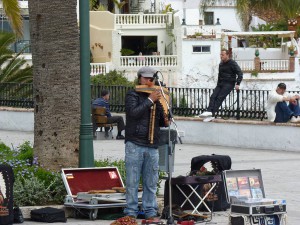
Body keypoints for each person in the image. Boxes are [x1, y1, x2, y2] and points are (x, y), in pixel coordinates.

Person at [124, 66, 168, 220]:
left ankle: (150, 211)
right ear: (139, 78)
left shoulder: (157, 97)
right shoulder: (132, 95)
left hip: (152, 145)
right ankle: (131, 212)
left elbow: (163, 122)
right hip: (135, 143)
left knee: (151, 182)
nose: (149, 82)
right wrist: (150, 100)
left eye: (152, 79)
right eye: (146, 78)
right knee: (132, 181)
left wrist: (165, 109)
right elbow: (133, 113)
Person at [199, 49, 243, 122]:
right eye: (220, 54)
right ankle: (209, 112)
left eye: (222, 55)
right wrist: (218, 85)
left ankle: (212, 114)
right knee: (213, 96)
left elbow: (240, 73)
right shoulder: (221, 64)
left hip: (229, 83)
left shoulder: (232, 63)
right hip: (221, 83)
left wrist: (238, 83)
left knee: (219, 98)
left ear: (227, 55)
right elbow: (220, 75)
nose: (221, 56)